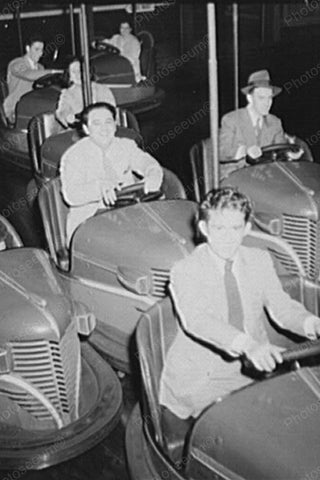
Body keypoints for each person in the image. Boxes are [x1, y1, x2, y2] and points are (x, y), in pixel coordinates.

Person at [159, 186, 320, 419]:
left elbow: (281, 307)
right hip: (203, 378)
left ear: (247, 228)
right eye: (219, 228)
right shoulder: (185, 270)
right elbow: (198, 320)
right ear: (204, 228)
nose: (227, 237)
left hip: (253, 370)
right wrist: (249, 346)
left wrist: (311, 323)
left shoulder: (259, 260)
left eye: (235, 228)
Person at [60, 102, 163, 243]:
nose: (104, 129)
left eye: (108, 122)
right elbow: (71, 195)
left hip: (128, 214)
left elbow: (148, 163)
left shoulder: (126, 146)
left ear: (115, 125)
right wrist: (100, 187)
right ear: (86, 129)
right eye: (96, 123)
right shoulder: (73, 156)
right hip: (89, 221)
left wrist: (153, 174)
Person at [219, 70, 302, 177]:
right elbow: (221, 151)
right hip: (236, 176)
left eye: (270, 98)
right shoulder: (231, 119)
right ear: (250, 98)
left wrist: (289, 155)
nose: (267, 103)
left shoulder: (275, 122)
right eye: (261, 98)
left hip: (264, 177)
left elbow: (279, 151)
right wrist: (245, 150)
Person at [4, 34, 60, 123]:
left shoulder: (40, 67)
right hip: (15, 109)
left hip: (33, 105)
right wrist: (52, 72)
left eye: (42, 50)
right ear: (27, 48)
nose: (40, 53)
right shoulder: (17, 63)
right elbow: (29, 75)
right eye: (36, 49)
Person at [55, 58, 116, 128]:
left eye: (81, 70)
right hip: (81, 130)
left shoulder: (102, 89)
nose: (78, 74)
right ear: (70, 77)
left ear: (88, 72)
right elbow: (62, 111)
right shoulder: (67, 94)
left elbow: (111, 110)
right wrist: (67, 116)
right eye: (74, 72)